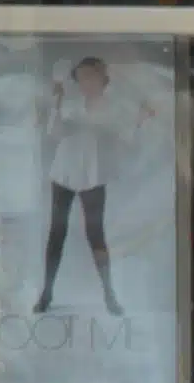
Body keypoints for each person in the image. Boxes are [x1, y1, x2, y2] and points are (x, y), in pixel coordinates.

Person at [33, 56, 151, 316]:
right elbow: (55, 132)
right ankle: (46, 292)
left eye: (92, 77)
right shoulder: (70, 104)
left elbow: (126, 135)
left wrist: (140, 120)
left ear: (102, 80)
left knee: (95, 233)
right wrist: (57, 103)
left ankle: (109, 294)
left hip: (93, 172)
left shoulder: (112, 108)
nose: (88, 82)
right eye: (83, 77)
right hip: (64, 171)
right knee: (57, 232)